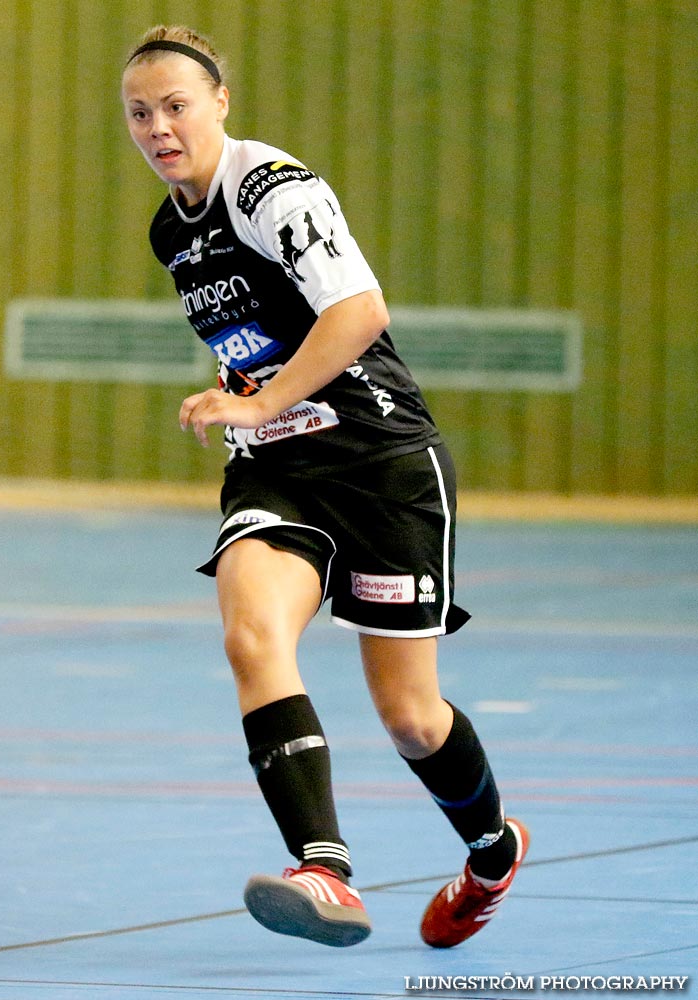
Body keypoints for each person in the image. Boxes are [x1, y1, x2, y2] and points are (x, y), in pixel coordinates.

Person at [120, 25, 529, 949]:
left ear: (220, 103)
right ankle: (326, 871)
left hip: (382, 463)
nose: (158, 127)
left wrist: (258, 399)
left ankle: (493, 854)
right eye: (140, 114)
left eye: (176, 106)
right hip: (281, 468)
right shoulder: (168, 231)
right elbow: (260, 339)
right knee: (251, 630)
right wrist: (252, 406)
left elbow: (357, 311)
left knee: (413, 718)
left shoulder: (272, 189)